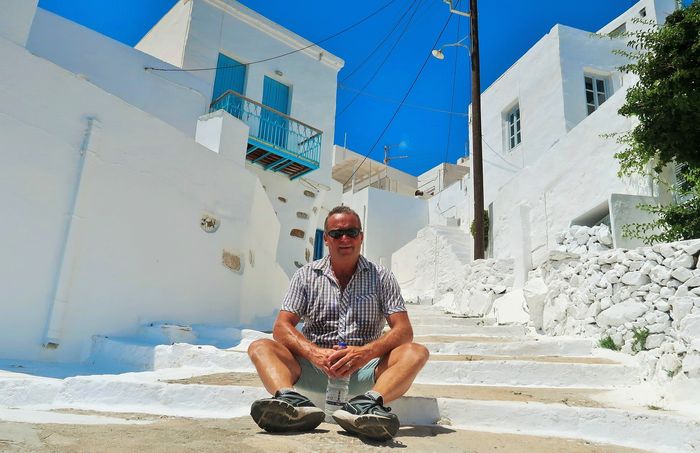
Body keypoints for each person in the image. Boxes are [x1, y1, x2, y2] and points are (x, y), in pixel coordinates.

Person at [247, 205, 429, 441]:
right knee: (260, 346)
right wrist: (315, 354)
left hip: (365, 371)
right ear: (326, 238)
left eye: (351, 232)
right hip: (312, 368)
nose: (345, 239)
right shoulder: (305, 276)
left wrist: (364, 353)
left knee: (416, 352)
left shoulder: (382, 277)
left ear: (361, 237)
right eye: (336, 233)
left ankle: (367, 405)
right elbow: (282, 327)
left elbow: (403, 330)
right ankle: (291, 403)